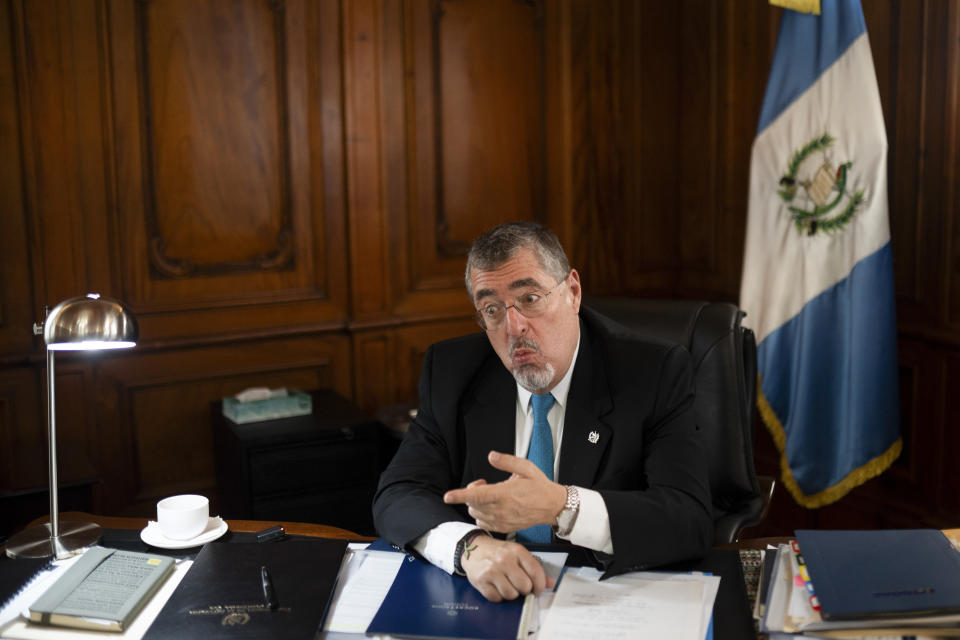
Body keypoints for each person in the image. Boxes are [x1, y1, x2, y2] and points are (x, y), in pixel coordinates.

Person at [373, 221, 712, 602]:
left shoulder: (652, 373)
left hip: (607, 600)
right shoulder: (452, 373)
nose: (514, 326)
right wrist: (470, 547)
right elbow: (397, 494)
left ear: (573, 292)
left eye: (530, 298)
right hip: (493, 600)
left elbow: (689, 519)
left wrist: (559, 505)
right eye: (492, 309)